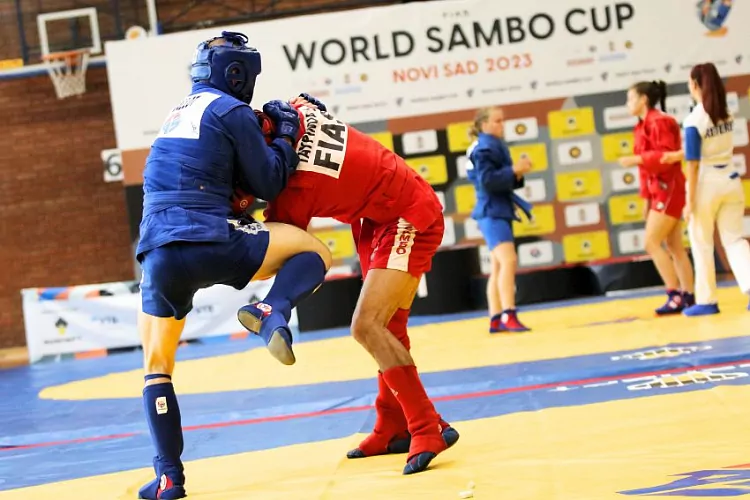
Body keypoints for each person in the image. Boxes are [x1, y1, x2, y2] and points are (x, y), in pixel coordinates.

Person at [135, 32, 331, 499]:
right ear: (237, 73)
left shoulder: (175, 115)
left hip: (156, 252)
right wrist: (285, 135)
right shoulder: (232, 110)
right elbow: (269, 182)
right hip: (210, 237)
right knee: (315, 252)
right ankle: (272, 309)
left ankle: (168, 476)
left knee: (156, 367)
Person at [235, 95, 460, 475]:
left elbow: (280, 255)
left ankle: (427, 425)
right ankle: (391, 425)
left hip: (406, 214)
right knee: (388, 328)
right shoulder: (296, 111)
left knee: (366, 325)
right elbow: (310, 101)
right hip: (376, 213)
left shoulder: (293, 191)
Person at [661, 62, 750, 315]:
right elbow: (704, 149)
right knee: (734, 240)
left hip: (705, 185)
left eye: (690, 82)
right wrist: (678, 155)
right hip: (731, 180)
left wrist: (689, 201)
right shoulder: (725, 114)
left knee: (701, 243)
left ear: (696, 85)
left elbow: (694, 163)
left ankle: (707, 301)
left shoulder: (693, 119)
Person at [618, 81, 695, 315]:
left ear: (643, 99)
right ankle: (688, 295)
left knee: (651, 242)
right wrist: (646, 199)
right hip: (658, 190)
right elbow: (646, 171)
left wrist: (637, 160)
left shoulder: (660, 121)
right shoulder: (641, 126)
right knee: (673, 245)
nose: (627, 104)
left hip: (670, 187)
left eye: (630, 98)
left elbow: (668, 156)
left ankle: (674, 294)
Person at [465, 106, 533, 333]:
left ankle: (495, 317)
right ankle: (508, 313)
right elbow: (487, 181)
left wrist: (517, 173)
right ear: (484, 125)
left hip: (496, 209)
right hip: (492, 210)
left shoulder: (489, 145)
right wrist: (514, 170)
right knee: (508, 261)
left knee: (497, 266)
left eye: (502, 121)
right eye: (497, 121)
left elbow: (496, 180)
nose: (501, 125)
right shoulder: (485, 147)